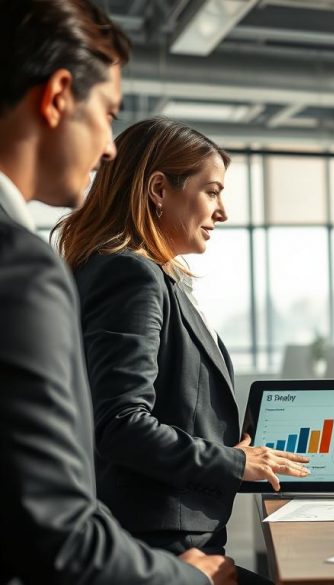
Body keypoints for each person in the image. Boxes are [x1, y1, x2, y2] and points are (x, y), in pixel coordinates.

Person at [0, 1, 234, 583]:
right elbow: (60, 517)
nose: (108, 149)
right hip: (146, 547)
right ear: (57, 97)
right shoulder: (30, 265)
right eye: (107, 113)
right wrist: (190, 578)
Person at [56, 118, 309, 585]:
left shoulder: (141, 273)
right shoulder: (131, 275)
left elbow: (171, 403)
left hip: (164, 537)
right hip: (163, 546)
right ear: (158, 189)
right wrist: (236, 463)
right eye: (211, 192)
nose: (223, 211)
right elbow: (120, 424)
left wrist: (241, 447)